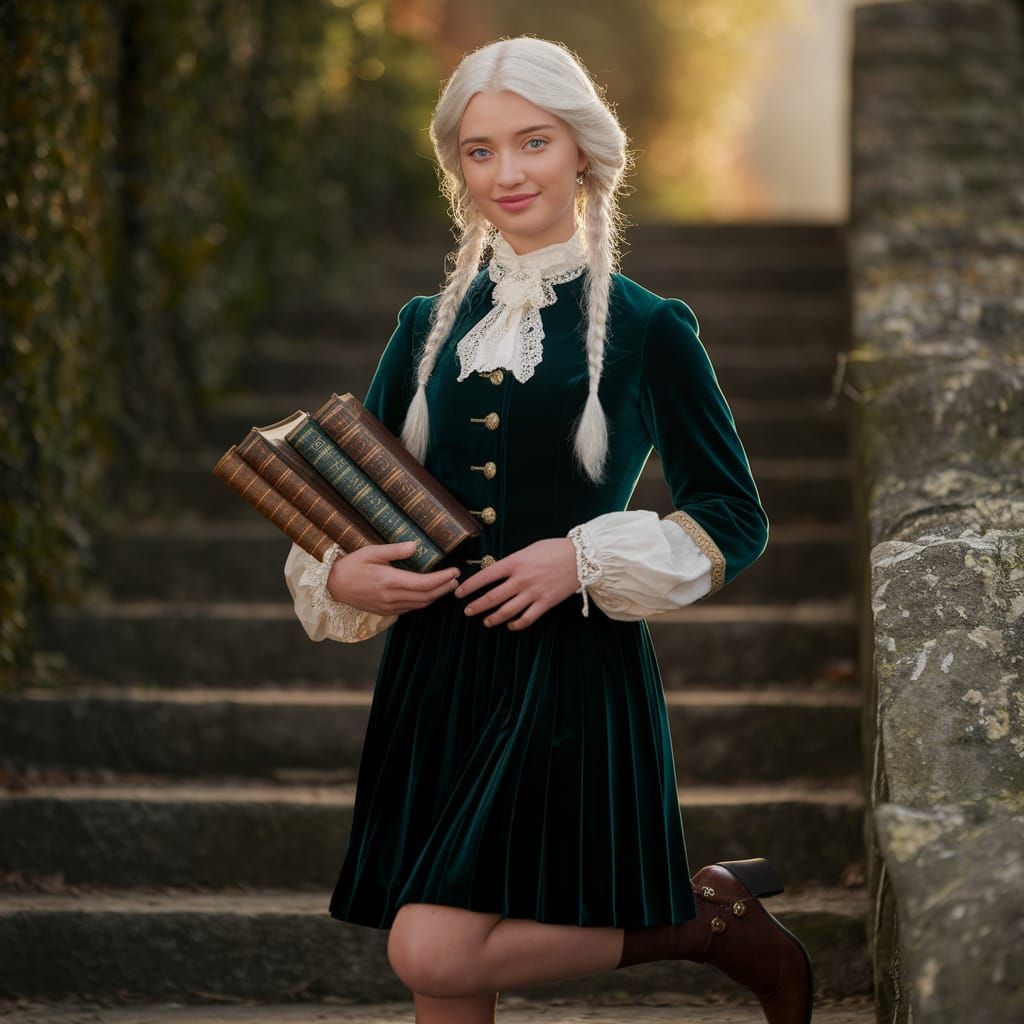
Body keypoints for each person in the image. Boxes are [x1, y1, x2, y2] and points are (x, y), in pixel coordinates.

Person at [284, 35, 813, 1024]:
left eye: (532, 141)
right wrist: (342, 574)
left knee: (431, 944)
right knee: (445, 966)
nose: (508, 172)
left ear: (581, 149)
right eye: (479, 150)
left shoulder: (650, 327)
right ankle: (708, 923)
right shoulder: (422, 327)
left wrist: (580, 557)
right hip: (435, 673)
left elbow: (733, 515)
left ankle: (708, 926)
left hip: (567, 675)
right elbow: (353, 503)